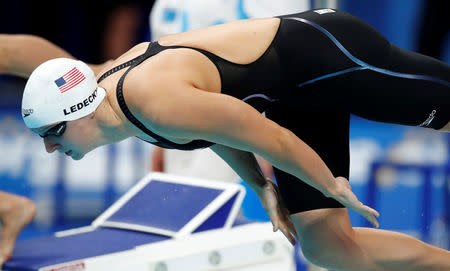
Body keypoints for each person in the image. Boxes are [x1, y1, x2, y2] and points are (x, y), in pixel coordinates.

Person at [2, 9, 449, 271]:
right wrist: (262, 187)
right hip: (293, 97)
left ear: (75, 114)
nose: (49, 149)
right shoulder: (117, 108)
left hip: (329, 55)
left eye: (50, 135)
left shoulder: (152, 101)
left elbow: (269, 137)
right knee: (328, 248)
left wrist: (330, 185)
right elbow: (214, 128)